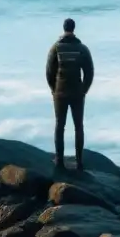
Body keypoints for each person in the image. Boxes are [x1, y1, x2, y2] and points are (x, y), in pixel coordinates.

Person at [45, 17, 94, 172]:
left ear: (64, 28)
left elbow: (49, 72)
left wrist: (54, 89)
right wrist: (83, 89)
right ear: (74, 28)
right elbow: (89, 72)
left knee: (60, 126)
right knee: (78, 127)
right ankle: (79, 163)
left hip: (60, 93)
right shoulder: (82, 49)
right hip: (77, 93)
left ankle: (59, 161)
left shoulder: (55, 48)